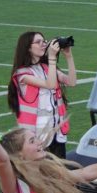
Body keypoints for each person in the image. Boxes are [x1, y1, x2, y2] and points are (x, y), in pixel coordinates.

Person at [8, 32, 76, 162]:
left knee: (61, 176)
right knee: (44, 177)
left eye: (44, 41)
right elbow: (50, 84)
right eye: (38, 42)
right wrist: (51, 57)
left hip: (57, 132)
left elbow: (72, 82)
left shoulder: (46, 68)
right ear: (28, 47)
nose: (43, 44)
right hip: (37, 136)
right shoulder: (22, 73)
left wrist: (68, 56)